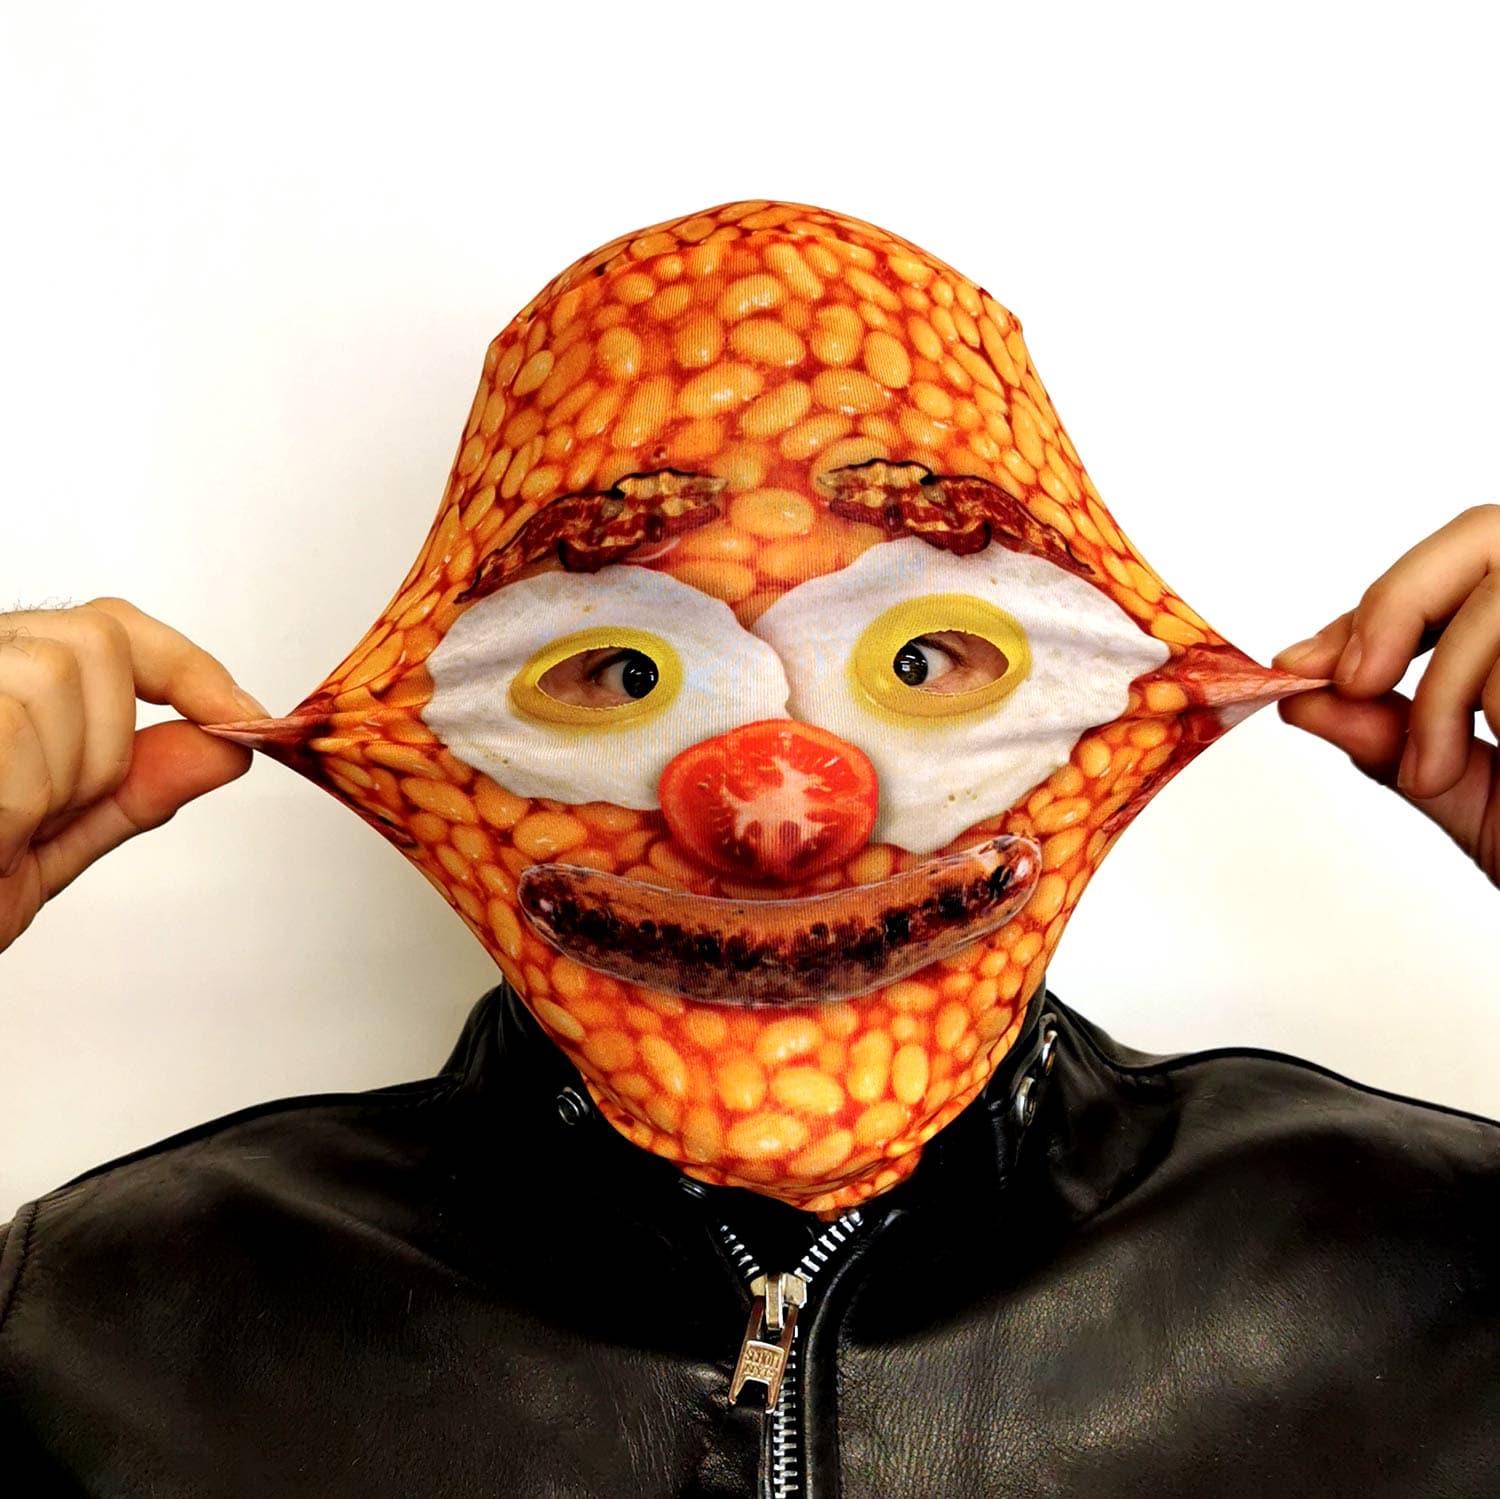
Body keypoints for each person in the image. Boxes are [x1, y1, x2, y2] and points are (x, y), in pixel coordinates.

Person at [1, 201, 1496, 1497]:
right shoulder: (91, 1325)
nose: (787, 817)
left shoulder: (1442, 1262)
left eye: (927, 660)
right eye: (614, 671)